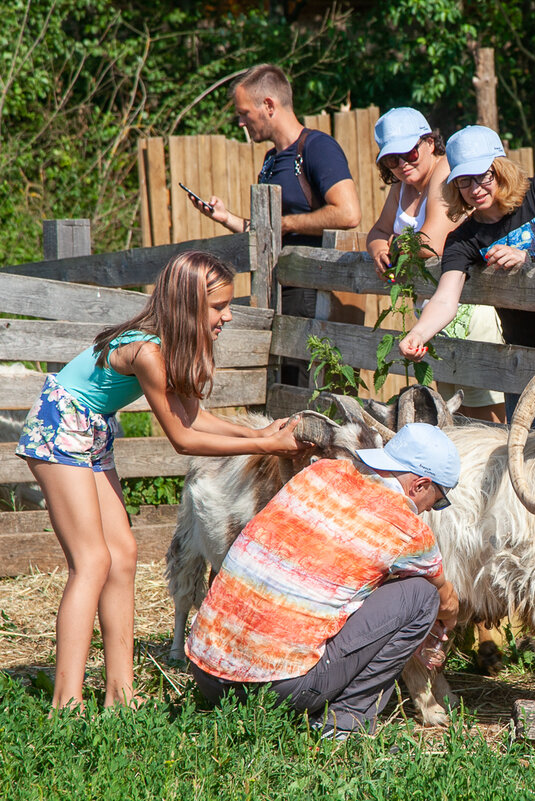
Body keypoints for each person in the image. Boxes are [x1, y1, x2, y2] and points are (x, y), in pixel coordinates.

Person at [15, 251, 308, 710]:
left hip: (91, 429)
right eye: (218, 307)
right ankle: (65, 705)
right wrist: (265, 446)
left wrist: (257, 435)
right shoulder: (148, 351)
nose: (227, 315)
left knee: (124, 554)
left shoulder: (164, 347)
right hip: (60, 427)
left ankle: (120, 693)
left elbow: (194, 416)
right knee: (91, 561)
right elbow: (184, 440)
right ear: (188, 304)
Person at [187, 422, 461, 739]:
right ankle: (342, 725)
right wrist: (443, 627)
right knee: (422, 597)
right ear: (420, 485)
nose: (431, 510)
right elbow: (447, 600)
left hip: (205, 673)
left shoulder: (320, 473)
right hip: (277, 691)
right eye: (437, 500)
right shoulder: (408, 529)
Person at [187, 64, 361, 384]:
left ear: (268, 106)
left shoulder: (318, 148)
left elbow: (348, 213)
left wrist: (286, 223)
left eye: (243, 113)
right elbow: (269, 231)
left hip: (310, 293)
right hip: (276, 292)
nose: (240, 121)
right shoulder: (270, 159)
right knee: (279, 393)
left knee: (305, 394)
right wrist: (227, 218)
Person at [398, 125, 535, 421]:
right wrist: (418, 333)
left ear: (501, 170)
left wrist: (530, 256)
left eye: (484, 176)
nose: (475, 189)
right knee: (531, 452)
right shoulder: (463, 239)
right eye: (463, 181)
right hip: (523, 360)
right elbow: (446, 299)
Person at [365, 107, 506, 423]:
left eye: (410, 152)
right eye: (392, 159)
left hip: (470, 307)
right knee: (454, 416)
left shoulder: (444, 172)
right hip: (434, 314)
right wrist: (378, 250)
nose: (403, 164)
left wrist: (397, 244)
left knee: (488, 418)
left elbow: (431, 243)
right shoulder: (401, 187)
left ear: (430, 142)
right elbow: (377, 232)